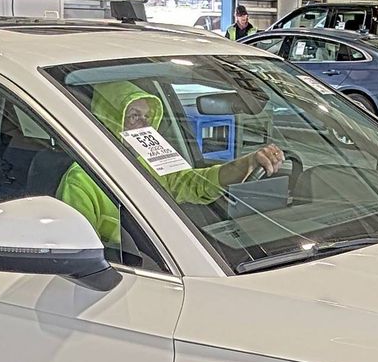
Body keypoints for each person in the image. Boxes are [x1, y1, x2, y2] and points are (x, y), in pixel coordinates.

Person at [57, 80, 283, 245]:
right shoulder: (82, 179)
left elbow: (196, 184)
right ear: (110, 117)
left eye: (147, 117)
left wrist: (249, 163)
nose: (143, 125)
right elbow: (79, 253)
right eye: (134, 116)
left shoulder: (150, 161)